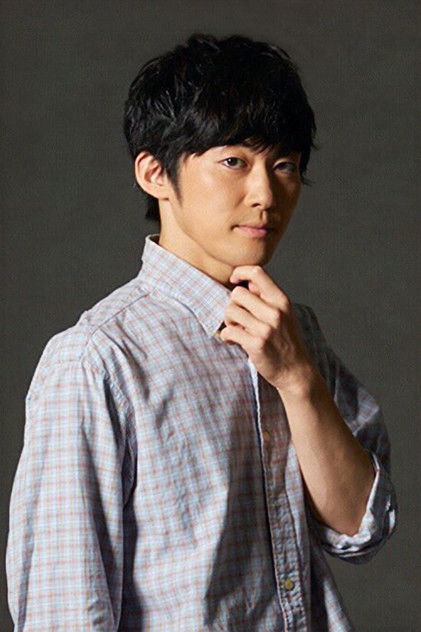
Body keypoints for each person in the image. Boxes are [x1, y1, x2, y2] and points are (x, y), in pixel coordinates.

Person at [6, 32, 398, 631]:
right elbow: (62, 612)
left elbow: (360, 530)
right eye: (234, 161)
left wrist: (299, 381)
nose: (265, 194)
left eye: (285, 165)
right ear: (155, 173)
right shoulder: (97, 359)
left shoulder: (296, 333)